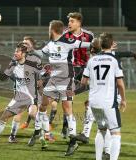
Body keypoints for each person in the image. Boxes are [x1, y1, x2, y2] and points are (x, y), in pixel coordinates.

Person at [27, 20, 96, 156]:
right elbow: (41, 53)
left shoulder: (67, 42)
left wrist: (98, 45)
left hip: (65, 80)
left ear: (52, 29)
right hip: (53, 80)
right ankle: (36, 131)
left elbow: (86, 44)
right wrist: (31, 50)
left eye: (48, 28)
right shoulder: (50, 44)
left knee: (67, 110)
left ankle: (73, 142)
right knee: (42, 106)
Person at [0, 42, 42, 148]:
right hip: (19, 97)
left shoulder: (32, 64)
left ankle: (43, 139)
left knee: (33, 115)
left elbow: (40, 79)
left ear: (23, 53)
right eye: (15, 51)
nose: (15, 53)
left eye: (17, 51)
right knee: (3, 117)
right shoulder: (13, 64)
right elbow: (2, 78)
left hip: (32, 97)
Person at [81, 33, 126, 160]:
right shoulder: (113, 60)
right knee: (115, 133)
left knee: (101, 129)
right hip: (108, 102)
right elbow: (120, 84)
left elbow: (83, 83)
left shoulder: (92, 60)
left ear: (100, 45)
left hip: (94, 102)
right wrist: (123, 99)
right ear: (112, 44)